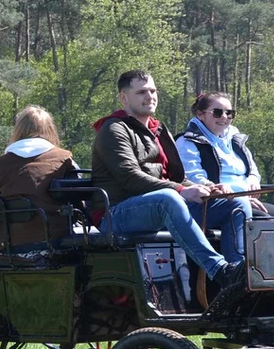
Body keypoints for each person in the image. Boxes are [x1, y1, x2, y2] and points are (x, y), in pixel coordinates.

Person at [92, 70, 248, 288]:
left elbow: (177, 177)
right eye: (142, 92)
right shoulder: (113, 129)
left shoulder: (157, 129)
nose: (150, 96)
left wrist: (205, 188)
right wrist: (182, 191)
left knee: (236, 203)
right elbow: (130, 178)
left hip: (160, 205)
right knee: (168, 198)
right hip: (118, 213)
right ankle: (219, 270)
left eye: (153, 91)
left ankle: (238, 276)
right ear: (124, 98)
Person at [176, 92, 274, 218]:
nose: (224, 117)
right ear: (200, 114)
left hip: (247, 199)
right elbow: (194, 179)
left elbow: (252, 169)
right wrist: (233, 197)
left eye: (229, 113)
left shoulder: (235, 140)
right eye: (217, 112)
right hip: (218, 204)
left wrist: (253, 180)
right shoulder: (187, 142)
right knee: (267, 224)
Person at [0, 105, 77, 253]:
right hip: (56, 239)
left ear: (18, 131)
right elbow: (78, 201)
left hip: (10, 244)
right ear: (50, 130)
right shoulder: (64, 158)